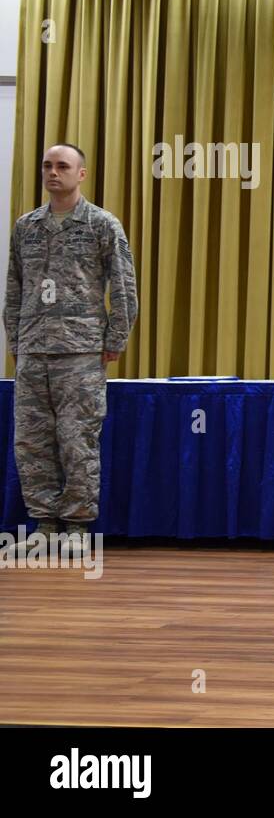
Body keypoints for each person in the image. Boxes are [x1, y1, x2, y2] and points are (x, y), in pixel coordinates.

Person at [3, 143, 138, 557]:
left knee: (77, 439)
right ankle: (44, 522)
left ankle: (77, 526)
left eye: (63, 166)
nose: (53, 173)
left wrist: (114, 339)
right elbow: (13, 289)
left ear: (81, 174)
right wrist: (16, 340)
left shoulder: (101, 224)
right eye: (47, 165)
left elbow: (124, 286)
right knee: (32, 442)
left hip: (80, 351)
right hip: (32, 351)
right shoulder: (27, 226)